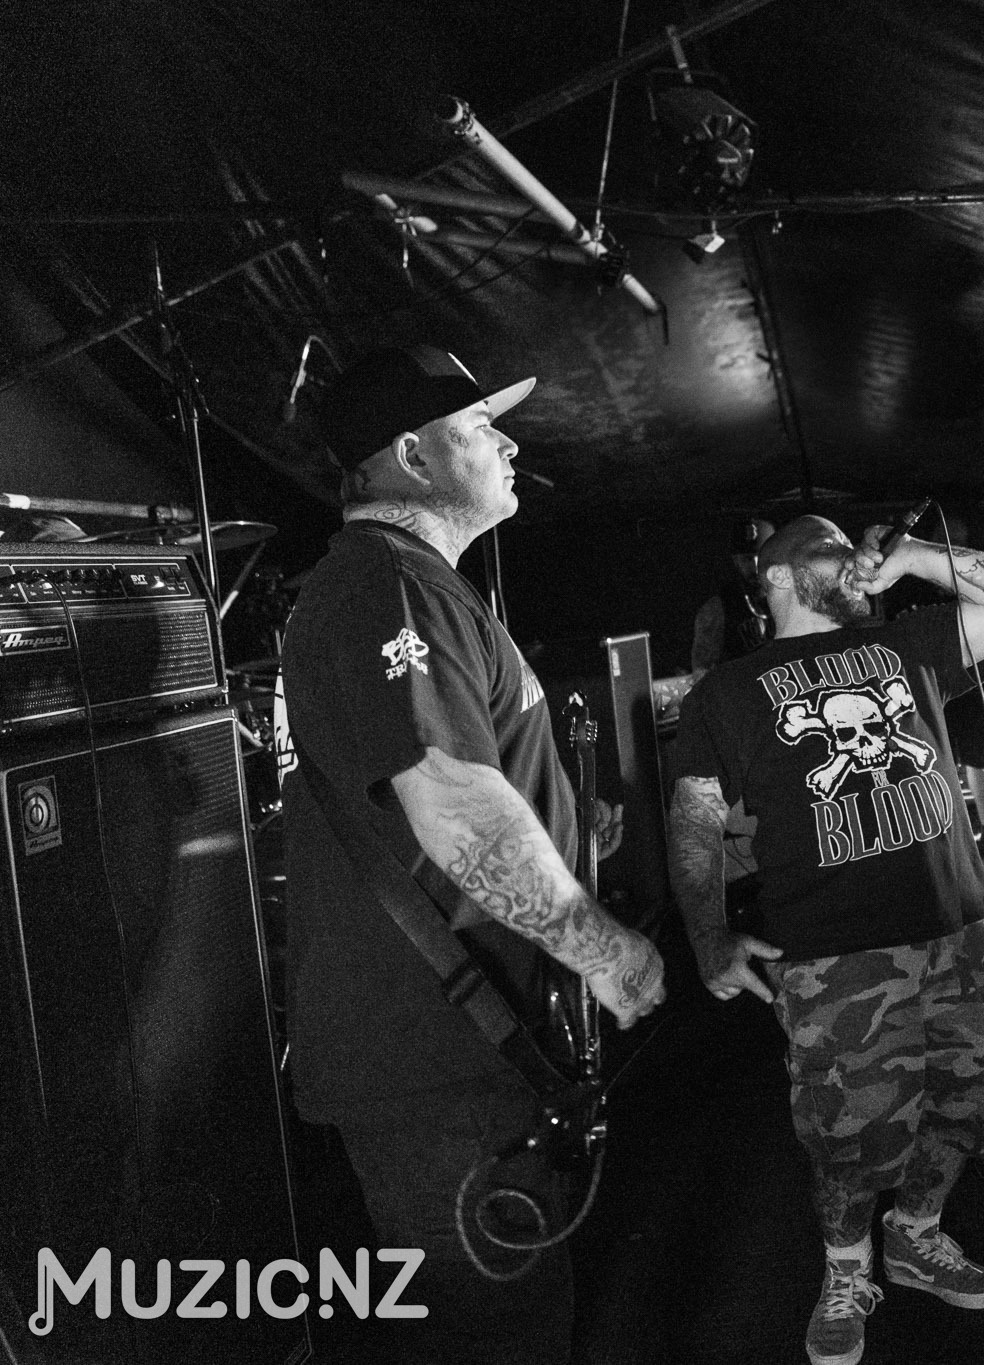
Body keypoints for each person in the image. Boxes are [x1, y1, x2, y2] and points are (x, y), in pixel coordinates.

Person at [284, 345, 666, 1364]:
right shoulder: (387, 584)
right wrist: (601, 945)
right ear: (412, 455)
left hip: (465, 1048)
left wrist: (568, 836)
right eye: (480, 426)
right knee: (498, 1332)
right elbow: (451, 801)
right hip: (432, 1064)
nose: (507, 445)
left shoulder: (415, 586)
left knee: (511, 1313)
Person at [665, 513, 984, 1365]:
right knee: (849, 1132)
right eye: (830, 549)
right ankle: (846, 1269)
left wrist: (915, 557)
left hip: (955, 929)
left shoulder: (907, 644)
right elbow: (694, 816)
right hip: (835, 952)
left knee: (962, 1103)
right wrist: (709, 934)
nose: (853, 558)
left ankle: (917, 1234)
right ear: (777, 577)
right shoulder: (730, 689)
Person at [691, 515, 775, 673]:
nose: (755, 565)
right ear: (736, 561)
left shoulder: (793, 598)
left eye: (761, 556)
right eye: (747, 559)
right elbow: (703, 671)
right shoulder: (717, 609)